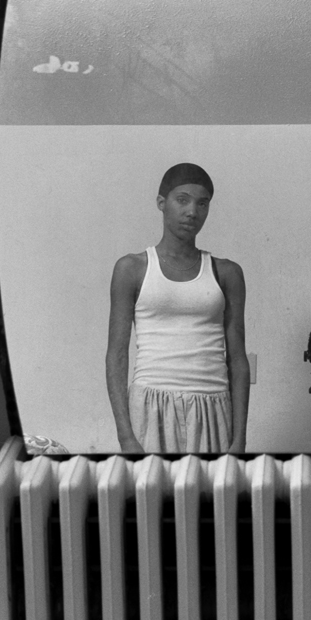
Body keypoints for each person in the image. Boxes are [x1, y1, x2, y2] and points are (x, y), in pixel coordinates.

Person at [106, 163, 250, 453]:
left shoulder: (227, 273)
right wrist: (125, 436)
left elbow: (237, 360)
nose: (192, 211)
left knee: (211, 497)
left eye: (202, 203)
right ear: (162, 203)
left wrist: (239, 439)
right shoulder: (132, 268)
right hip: (150, 405)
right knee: (153, 497)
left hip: (212, 404)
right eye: (182, 199)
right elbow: (117, 354)